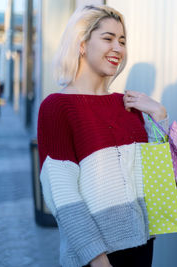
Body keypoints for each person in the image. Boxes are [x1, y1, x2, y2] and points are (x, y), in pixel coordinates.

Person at [37, 5, 168, 267]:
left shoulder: (128, 105)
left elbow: (157, 176)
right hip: (95, 257)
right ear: (82, 44)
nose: (118, 48)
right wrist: (98, 260)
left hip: (142, 246)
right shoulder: (57, 106)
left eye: (122, 41)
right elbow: (62, 196)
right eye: (108, 38)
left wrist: (159, 116)